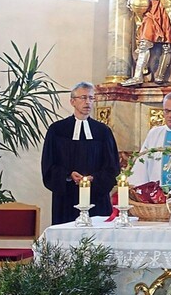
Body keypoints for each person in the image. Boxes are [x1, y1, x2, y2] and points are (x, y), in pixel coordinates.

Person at [41, 82, 120, 225]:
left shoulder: (103, 131)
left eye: (91, 98)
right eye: (83, 97)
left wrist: (94, 178)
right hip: (66, 200)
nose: (88, 102)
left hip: (96, 198)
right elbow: (48, 165)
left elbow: (112, 166)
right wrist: (68, 175)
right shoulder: (57, 130)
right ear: (72, 101)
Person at [122, 0, 171, 87]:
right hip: (150, 8)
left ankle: (161, 76)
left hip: (166, 8)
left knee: (166, 45)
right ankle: (138, 76)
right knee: (144, 44)